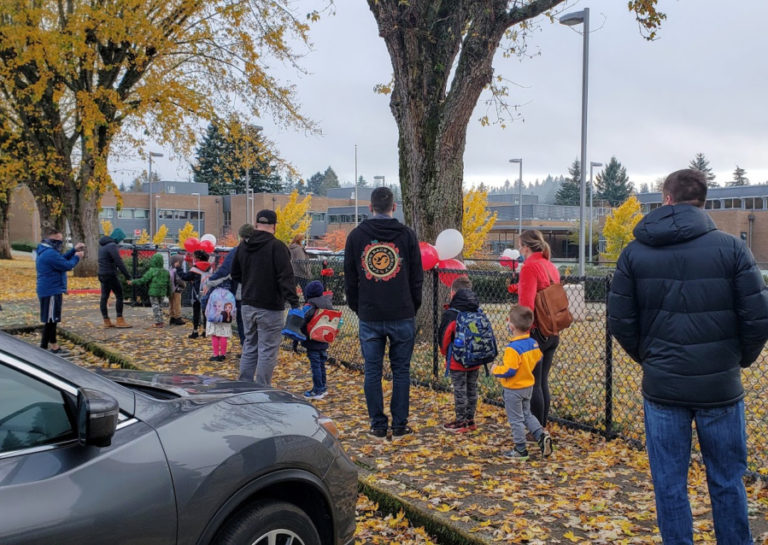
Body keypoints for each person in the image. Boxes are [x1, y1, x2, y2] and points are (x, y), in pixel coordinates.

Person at [607, 168, 768, 544]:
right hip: (720, 387)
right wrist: (735, 361)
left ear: (666, 199)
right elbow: (758, 318)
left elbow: (621, 321)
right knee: (728, 480)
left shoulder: (634, 253)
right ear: (704, 202)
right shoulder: (732, 249)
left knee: (668, 484)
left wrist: (650, 358)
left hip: (663, 386)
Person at [344, 186, 423, 439]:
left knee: (372, 371)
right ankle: (400, 425)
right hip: (402, 312)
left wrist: (358, 307)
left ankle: (377, 425)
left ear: (370, 208)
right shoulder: (407, 235)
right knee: (401, 371)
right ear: (394, 208)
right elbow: (416, 277)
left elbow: (350, 277)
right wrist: (412, 305)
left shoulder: (356, 236)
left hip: (370, 314)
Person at [231, 209, 299, 386]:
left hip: (247, 304)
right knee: (267, 350)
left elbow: (235, 273)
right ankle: (262, 387)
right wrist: (294, 302)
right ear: (274, 226)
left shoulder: (243, 246)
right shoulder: (277, 247)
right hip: (270, 306)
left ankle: (244, 385)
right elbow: (285, 277)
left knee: (249, 346)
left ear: (256, 224)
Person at [491, 305, 553, 461]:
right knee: (527, 414)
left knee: (516, 419)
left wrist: (495, 370)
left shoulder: (512, 348)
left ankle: (520, 449)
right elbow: (538, 358)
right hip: (528, 386)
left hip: (513, 388)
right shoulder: (533, 343)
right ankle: (541, 435)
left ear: (511, 326)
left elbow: (509, 370)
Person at [517, 229, 561, 429]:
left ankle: (535, 430)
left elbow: (526, 305)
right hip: (552, 330)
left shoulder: (529, 267)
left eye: (520, 246)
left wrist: (521, 333)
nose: (519, 249)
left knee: (533, 383)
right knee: (542, 382)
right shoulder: (550, 266)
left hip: (535, 331)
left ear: (526, 247)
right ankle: (541, 426)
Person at [438, 276, 482, 434]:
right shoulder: (477, 309)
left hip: (457, 360)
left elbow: (443, 338)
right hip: (475, 357)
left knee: (460, 389)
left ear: (453, 293)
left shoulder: (452, 313)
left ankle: (461, 420)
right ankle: (470, 419)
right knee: (472, 388)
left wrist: (446, 354)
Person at [35, 229, 84, 353]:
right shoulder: (50, 254)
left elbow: (61, 259)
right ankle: (44, 348)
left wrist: (74, 250)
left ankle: (54, 346)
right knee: (51, 320)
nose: (60, 243)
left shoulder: (45, 251)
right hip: (51, 290)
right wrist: (77, 257)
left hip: (49, 289)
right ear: (51, 240)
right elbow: (66, 265)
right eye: (58, 241)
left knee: (52, 319)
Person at [206, 224, 255, 350]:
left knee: (243, 321)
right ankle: (258, 350)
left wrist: (210, 282)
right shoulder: (264, 250)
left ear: (241, 237)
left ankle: (247, 349)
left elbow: (225, 271)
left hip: (243, 291)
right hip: (262, 293)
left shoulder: (238, 251)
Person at [300, 280, 333, 400]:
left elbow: (301, 322)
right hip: (323, 339)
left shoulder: (310, 307)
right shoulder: (327, 304)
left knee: (315, 366)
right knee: (321, 364)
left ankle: (317, 390)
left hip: (312, 341)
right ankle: (323, 387)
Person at [97, 227, 132, 328]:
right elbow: (119, 262)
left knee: (104, 297)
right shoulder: (112, 245)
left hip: (102, 274)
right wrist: (128, 276)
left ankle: (106, 321)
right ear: (118, 237)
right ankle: (120, 320)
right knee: (119, 295)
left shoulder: (102, 247)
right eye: (121, 238)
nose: (121, 241)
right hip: (110, 274)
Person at [129, 253, 171, 328]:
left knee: (155, 307)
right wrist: (168, 293)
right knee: (160, 307)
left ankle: (158, 323)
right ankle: (161, 321)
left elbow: (143, 280)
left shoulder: (152, 270)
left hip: (153, 292)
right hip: (162, 292)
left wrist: (133, 281)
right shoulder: (166, 272)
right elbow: (169, 284)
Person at [179, 249, 211, 339]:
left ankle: (195, 331)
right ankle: (205, 331)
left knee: (196, 311)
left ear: (197, 258)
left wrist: (178, 269)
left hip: (197, 292)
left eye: (194, 257)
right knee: (206, 312)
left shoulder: (195, 268)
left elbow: (185, 277)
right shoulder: (210, 267)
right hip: (207, 291)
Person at [168, 254, 186, 325]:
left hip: (170, 289)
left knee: (171, 303)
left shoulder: (170, 269)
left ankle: (172, 317)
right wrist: (184, 285)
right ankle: (178, 318)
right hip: (177, 289)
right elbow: (180, 280)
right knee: (177, 304)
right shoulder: (177, 271)